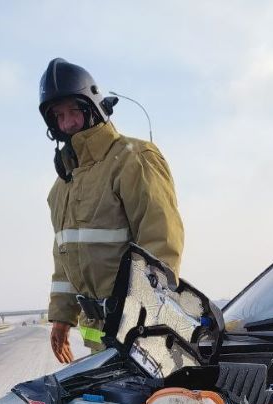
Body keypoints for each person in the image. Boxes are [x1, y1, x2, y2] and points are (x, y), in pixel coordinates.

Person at [39, 58, 184, 364]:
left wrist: (144, 314)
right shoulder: (61, 186)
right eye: (58, 116)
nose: (67, 123)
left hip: (139, 329)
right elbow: (63, 259)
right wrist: (62, 316)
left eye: (73, 111)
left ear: (92, 107)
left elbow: (161, 239)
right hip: (96, 334)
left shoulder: (133, 158)